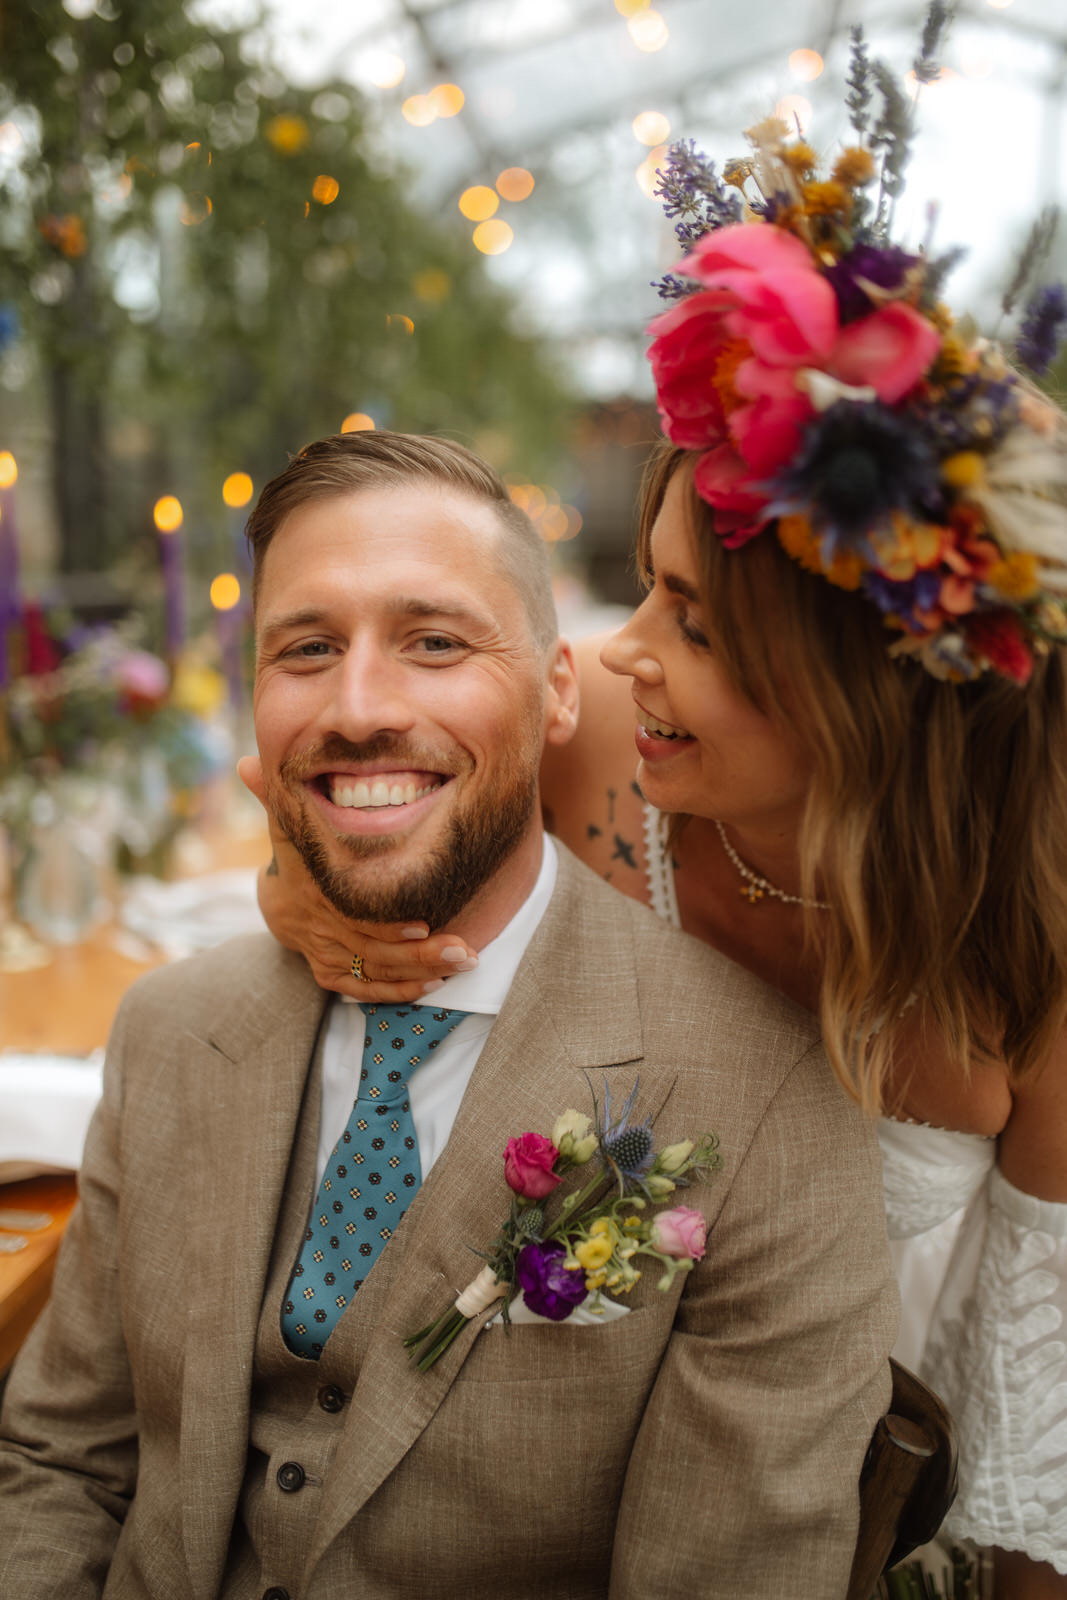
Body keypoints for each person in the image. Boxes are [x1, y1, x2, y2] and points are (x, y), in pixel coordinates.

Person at [247, 104, 1067, 1598]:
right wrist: (308, 904)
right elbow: (323, 789)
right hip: (490, 1477)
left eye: (692, 626)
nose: (622, 654)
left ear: (871, 697)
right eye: (647, 587)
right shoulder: (591, 753)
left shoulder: (1029, 957)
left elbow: (1034, 1471)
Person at [0, 430, 898, 1599]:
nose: (360, 705)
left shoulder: (769, 1111)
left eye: (433, 642)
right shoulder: (171, 1027)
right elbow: (59, 1464)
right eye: (307, 648)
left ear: (559, 688)